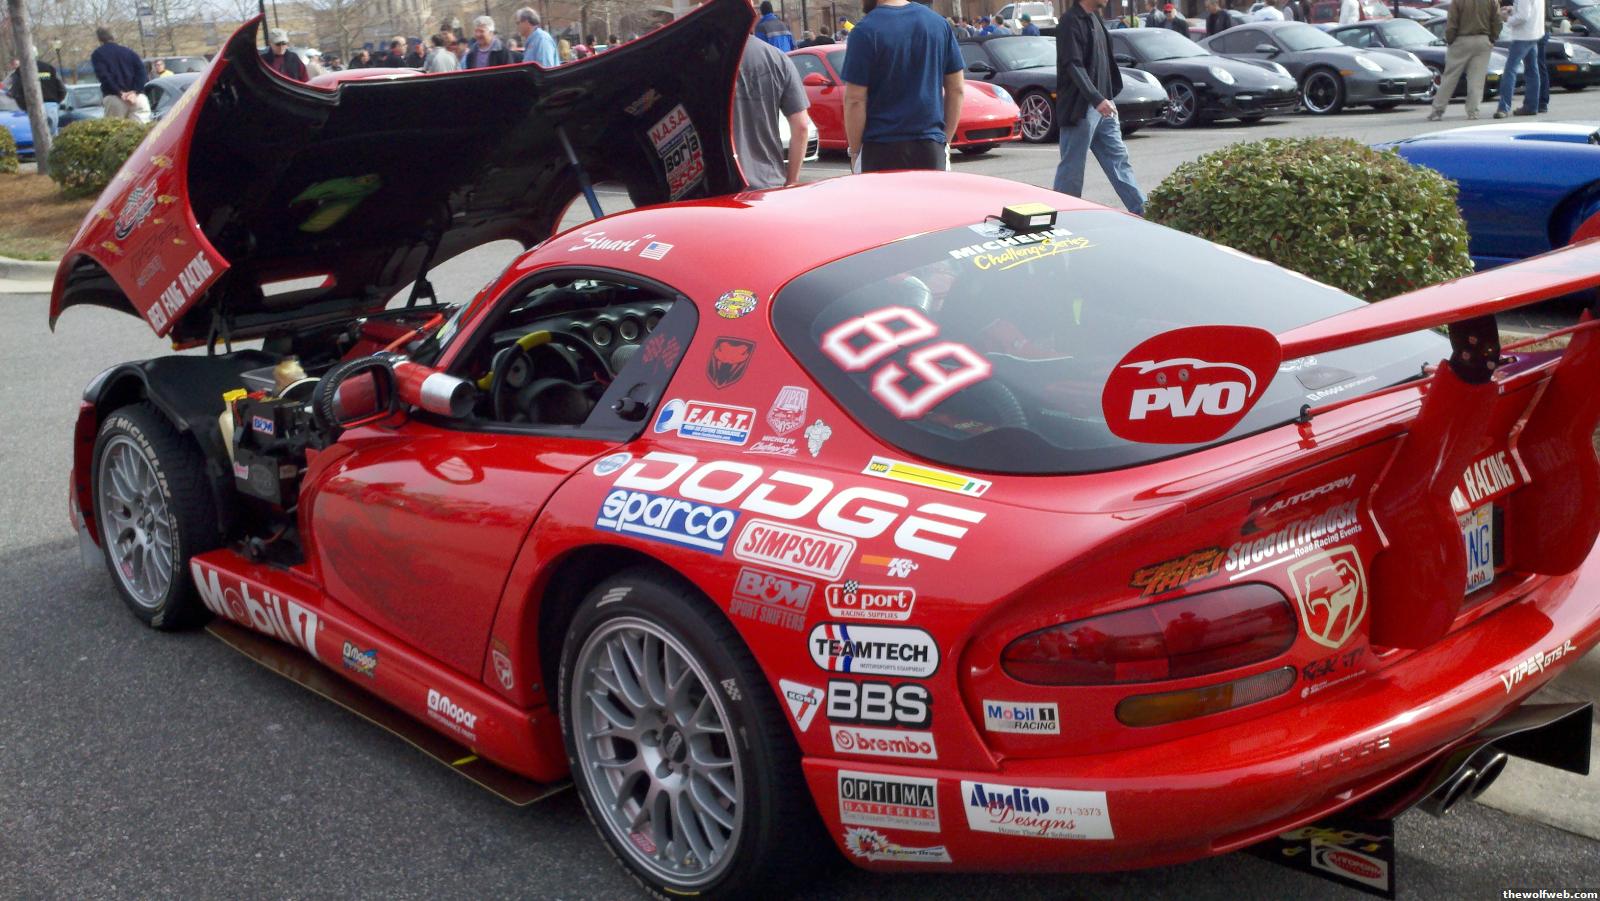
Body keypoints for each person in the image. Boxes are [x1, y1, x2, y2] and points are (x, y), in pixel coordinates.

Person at [842, 0, 965, 173]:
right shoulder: (938, 24)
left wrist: (855, 152)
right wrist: (945, 141)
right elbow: (957, 89)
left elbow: (855, 99)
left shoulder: (864, 30)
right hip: (930, 145)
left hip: (879, 147)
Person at [1055, 0, 1146, 214]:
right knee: (1072, 169)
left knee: (1119, 161)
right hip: (1081, 108)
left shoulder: (1095, 18)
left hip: (1105, 106)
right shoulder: (1070, 21)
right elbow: (1073, 65)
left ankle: (1143, 211)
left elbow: (1105, 61)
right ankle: (1062, 217)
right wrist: (1096, 99)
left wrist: (1107, 96)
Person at [734, 34, 812, 188]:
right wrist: (792, 180)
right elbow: (801, 126)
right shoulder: (777, 58)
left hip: (717, 187)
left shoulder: (702, 56)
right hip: (768, 181)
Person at [1427, 0, 1500, 120]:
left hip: (1461, 39)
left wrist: (1450, 40)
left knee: (1450, 77)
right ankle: (1473, 111)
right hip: (1483, 40)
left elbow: (1452, 22)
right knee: (1476, 80)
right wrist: (1492, 38)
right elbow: (1497, 20)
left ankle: (1437, 110)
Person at [1494, 0, 1544, 117]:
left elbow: (1523, 17)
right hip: (1535, 33)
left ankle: (1504, 107)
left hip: (1523, 36)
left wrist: (1507, 18)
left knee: (1510, 70)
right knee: (1532, 70)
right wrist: (1513, 10)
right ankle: (1531, 106)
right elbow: (1529, 10)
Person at [91, 27, 150, 122]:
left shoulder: (98, 54)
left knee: (117, 128)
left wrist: (120, 92)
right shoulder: (129, 52)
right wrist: (135, 91)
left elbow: (104, 76)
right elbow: (141, 72)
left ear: (99, 39)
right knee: (142, 129)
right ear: (113, 37)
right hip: (137, 98)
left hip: (115, 99)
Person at [6, 54, 65, 135]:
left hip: (33, 107)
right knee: (52, 136)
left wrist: (24, 106)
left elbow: (15, 92)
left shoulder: (21, 70)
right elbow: (62, 89)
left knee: (37, 136)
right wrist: (55, 101)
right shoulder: (49, 68)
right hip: (51, 106)